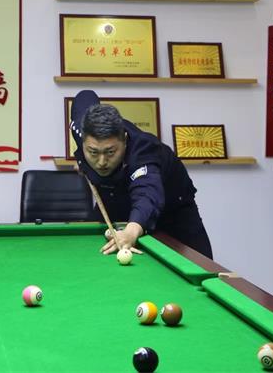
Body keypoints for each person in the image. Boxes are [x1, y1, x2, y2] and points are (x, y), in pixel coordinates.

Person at [70, 90, 213, 259]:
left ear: (124, 140)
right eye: (93, 152)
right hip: (114, 200)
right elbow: (85, 96)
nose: (101, 162)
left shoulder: (143, 151)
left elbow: (147, 194)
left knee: (198, 267)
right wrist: (83, 161)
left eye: (110, 152)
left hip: (172, 214)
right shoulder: (82, 128)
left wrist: (131, 231)